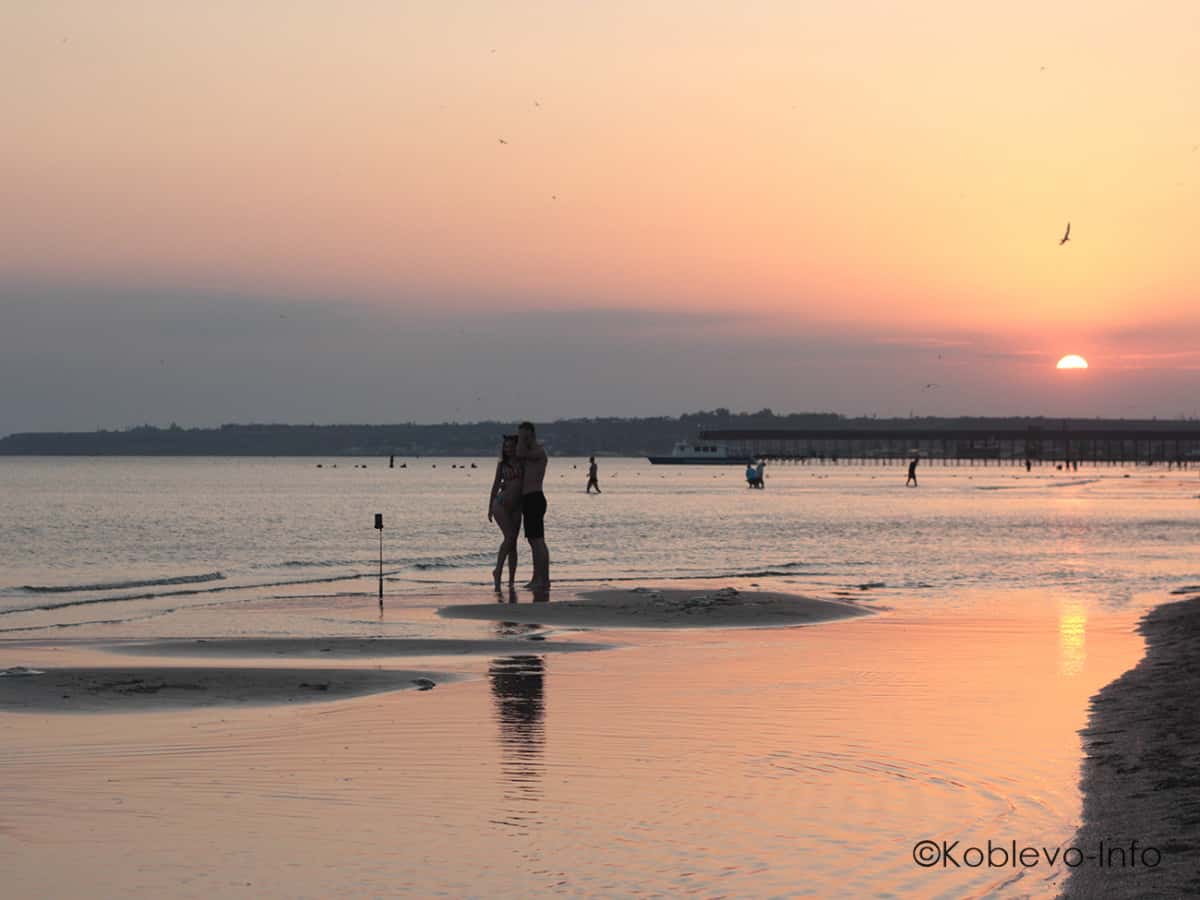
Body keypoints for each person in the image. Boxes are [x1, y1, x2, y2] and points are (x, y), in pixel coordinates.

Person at [515, 421, 550, 589]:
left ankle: (542, 579)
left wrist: (523, 439)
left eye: (524, 435)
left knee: (538, 541)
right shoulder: (532, 451)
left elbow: (520, 453)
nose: (521, 439)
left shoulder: (538, 451)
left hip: (535, 497)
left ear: (531, 434)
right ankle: (538, 578)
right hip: (529, 499)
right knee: (533, 540)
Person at [487, 435, 523, 591]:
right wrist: (489, 507)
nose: (508, 449)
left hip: (517, 506)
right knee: (509, 537)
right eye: (506, 447)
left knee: (513, 543)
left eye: (511, 446)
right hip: (501, 505)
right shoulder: (502, 465)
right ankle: (497, 572)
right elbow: (495, 486)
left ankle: (511, 580)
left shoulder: (523, 463)